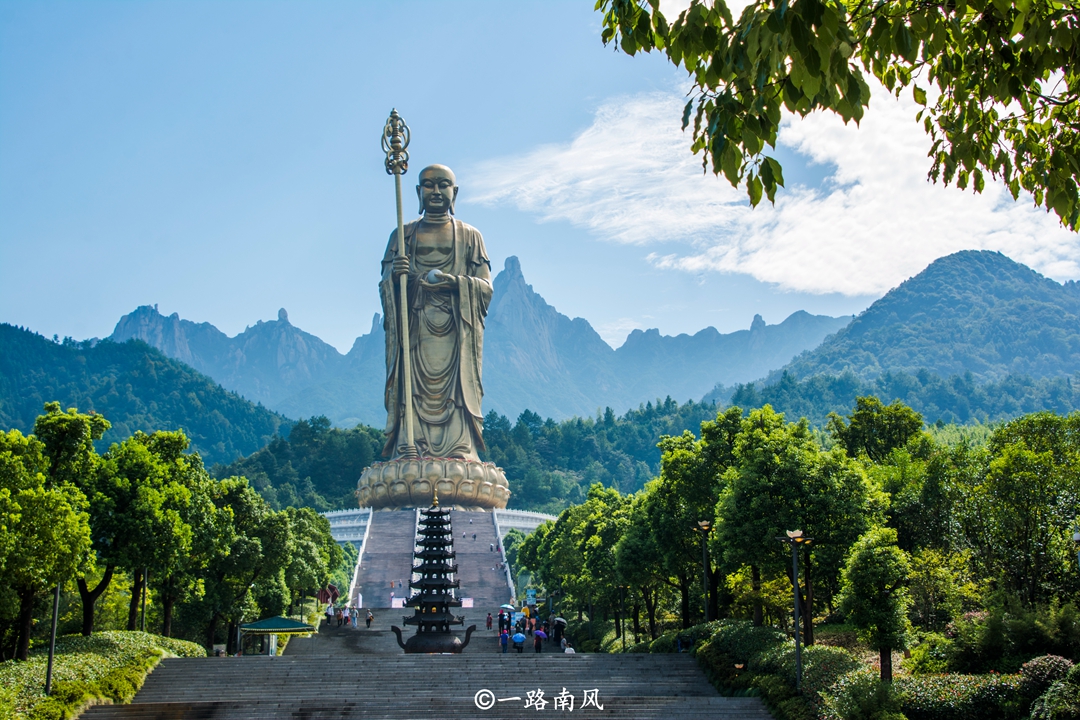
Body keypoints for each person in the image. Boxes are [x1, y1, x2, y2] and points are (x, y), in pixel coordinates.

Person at [380, 164, 493, 460]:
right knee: (411, 390)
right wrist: (397, 277)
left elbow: (485, 287)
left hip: (456, 334)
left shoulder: (470, 237)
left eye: (443, 185)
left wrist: (456, 283)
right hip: (415, 333)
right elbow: (386, 288)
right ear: (418, 192)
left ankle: (460, 448)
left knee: (455, 392)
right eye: (428, 185)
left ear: (454, 193)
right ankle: (410, 445)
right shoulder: (402, 236)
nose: (436, 191)